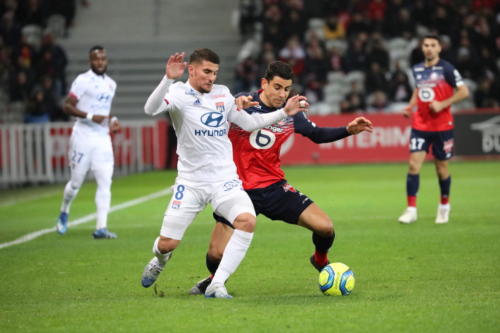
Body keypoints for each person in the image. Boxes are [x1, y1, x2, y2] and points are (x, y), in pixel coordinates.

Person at [189, 61, 374, 295]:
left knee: (325, 227)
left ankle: (320, 259)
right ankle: (214, 279)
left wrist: (348, 130)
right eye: (277, 87)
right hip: (236, 189)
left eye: (286, 89)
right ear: (264, 83)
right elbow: (209, 111)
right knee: (215, 254)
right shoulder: (241, 101)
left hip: (274, 188)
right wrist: (232, 106)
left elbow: (316, 134)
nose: (282, 94)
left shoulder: (291, 112)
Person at [140, 49, 308, 299]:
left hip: (224, 181)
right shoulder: (177, 93)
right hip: (191, 182)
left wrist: (284, 112)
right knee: (167, 244)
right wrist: (167, 79)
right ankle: (160, 260)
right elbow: (149, 109)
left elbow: (249, 124)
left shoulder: (222, 94)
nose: (211, 77)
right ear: (192, 69)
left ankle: (217, 285)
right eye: (207, 72)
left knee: (247, 221)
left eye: (215, 73)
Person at [398, 35, 469, 225]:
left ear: (439, 48)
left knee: (441, 168)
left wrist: (443, 104)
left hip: (442, 126)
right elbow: (418, 91)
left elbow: (464, 91)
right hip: (420, 125)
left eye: (433, 45)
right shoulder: (417, 69)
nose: (429, 48)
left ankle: (444, 206)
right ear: (422, 48)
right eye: (426, 45)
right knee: (413, 165)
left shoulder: (447, 68)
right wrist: (410, 106)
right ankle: (411, 209)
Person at [55, 45, 121, 238]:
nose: (100, 62)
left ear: (106, 61)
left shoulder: (111, 84)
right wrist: (91, 116)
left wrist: (113, 120)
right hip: (82, 137)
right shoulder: (82, 81)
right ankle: (64, 210)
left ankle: (101, 227)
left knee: (105, 182)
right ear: (90, 61)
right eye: (96, 59)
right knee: (75, 183)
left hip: (102, 138)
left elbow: (104, 110)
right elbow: (67, 106)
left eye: (103, 59)